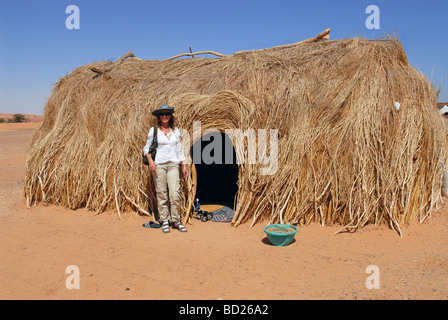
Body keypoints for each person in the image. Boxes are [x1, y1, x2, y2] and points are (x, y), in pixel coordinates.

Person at [143, 104, 189, 233]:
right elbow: (146, 148)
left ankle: (176, 220)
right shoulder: (154, 131)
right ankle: (164, 220)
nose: (164, 116)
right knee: (162, 193)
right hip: (159, 165)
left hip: (173, 164)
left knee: (175, 193)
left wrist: (183, 164)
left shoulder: (175, 131)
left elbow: (179, 149)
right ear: (159, 116)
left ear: (170, 116)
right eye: (162, 114)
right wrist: (151, 162)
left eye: (167, 114)